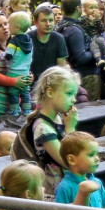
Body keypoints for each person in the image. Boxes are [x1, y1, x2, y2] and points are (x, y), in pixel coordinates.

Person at [17, 66, 80, 194]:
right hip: (52, 193)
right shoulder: (43, 128)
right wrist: (70, 128)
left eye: (74, 94)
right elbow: (69, 161)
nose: (74, 99)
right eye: (69, 93)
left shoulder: (58, 118)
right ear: (50, 92)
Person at [54, 131, 105, 210]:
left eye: (97, 154)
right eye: (91, 155)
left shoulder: (97, 182)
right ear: (72, 160)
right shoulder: (64, 187)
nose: (97, 158)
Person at [0, 11, 34, 117]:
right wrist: (13, 81)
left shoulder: (19, 43)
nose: (5, 27)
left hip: (16, 109)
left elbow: (24, 65)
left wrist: (29, 76)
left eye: (6, 23)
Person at [57, 0, 99, 100]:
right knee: (88, 110)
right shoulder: (74, 30)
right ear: (78, 8)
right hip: (85, 77)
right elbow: (81, 57)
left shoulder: (60, 26)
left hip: (72, 76)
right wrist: (95, 52)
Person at [28, 4, 68, 83]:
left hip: (53, 82)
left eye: (50, 20)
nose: (48, 24)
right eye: (43, 20)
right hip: (31, 84)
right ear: (35, 22)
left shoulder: (59, 38)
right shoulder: (27, 38)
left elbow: (61, 68)